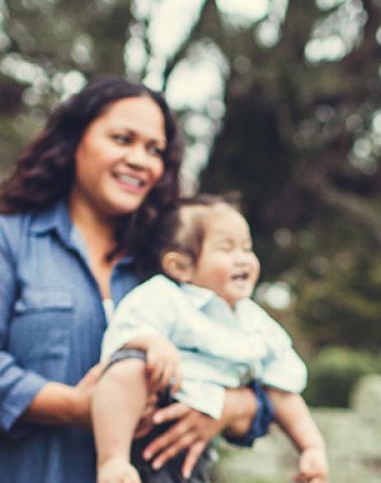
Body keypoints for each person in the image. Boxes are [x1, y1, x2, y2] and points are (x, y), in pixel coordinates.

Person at [0, 78, 269, 482]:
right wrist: (73, 405)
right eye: (122, 139)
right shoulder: (11, 240)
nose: (140, 160)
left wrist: (221, 410)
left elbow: (258, 371)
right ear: (75, 141)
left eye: (154, 150)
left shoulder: (175, 263)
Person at [93, 194, 329, 483]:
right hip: (144, 419)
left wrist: (311, 447)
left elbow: (282, 390)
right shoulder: (165, 296)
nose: (243, 258)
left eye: (247, 247)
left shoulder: (258, 325)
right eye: (226, 249)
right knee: (128, 367)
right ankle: (112, 462)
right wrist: (152, 342)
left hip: (193, 445)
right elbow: (125, 330)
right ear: (181, 267)